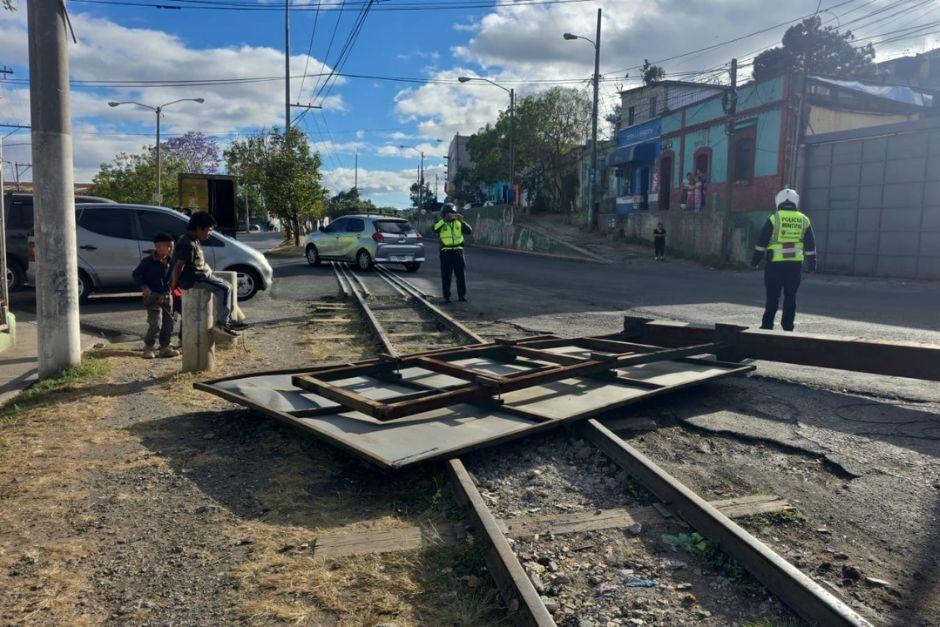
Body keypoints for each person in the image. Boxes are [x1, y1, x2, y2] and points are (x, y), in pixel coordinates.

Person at [751, 188, 817, 332]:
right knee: (790, 297)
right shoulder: (804, 219)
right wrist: (812, 264)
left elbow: (762, 242)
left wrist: (755, 261)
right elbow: (810, 245)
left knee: (772, 297)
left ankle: (767, 325)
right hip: (794, 266)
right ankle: (788, 327)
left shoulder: (774, 218)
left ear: (778, 201)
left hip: (775, 265)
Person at [169, 211, 240, 337]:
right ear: (198, 228)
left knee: (227, 285)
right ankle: (223, 324)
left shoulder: (193, 239)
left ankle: (228, 320)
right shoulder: (187, 243)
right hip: (192, 278)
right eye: (209, 230)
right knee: (225, 289)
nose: (210, 233)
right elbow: (178, 266)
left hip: (199, 275)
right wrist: (173, 286)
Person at [132, 233, 180, 359]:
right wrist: (144, 287)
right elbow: (136, 275)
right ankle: (149, 346)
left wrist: (167, 292)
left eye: (172, 247)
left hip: (167, 296)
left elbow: (172, 280)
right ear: (158, 247)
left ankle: (165, 347)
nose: (171, 249)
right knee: (156, 323)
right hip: (152, 297)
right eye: (169, 246)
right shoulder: (147, 262)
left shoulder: (172, 261)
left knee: (169, 322)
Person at [433, 202, 473, 303]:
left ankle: (461, 296)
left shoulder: (458, 222)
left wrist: (462, 221)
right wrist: (444, 221)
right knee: (446, 275)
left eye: (453, 213)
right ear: (444, 214)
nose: (451, 215)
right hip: (445, 252)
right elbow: (434, 229)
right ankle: (446, 297)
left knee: (460, 275)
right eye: (448, 213)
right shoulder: (441, 223)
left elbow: (469, 231)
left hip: (458, 251)